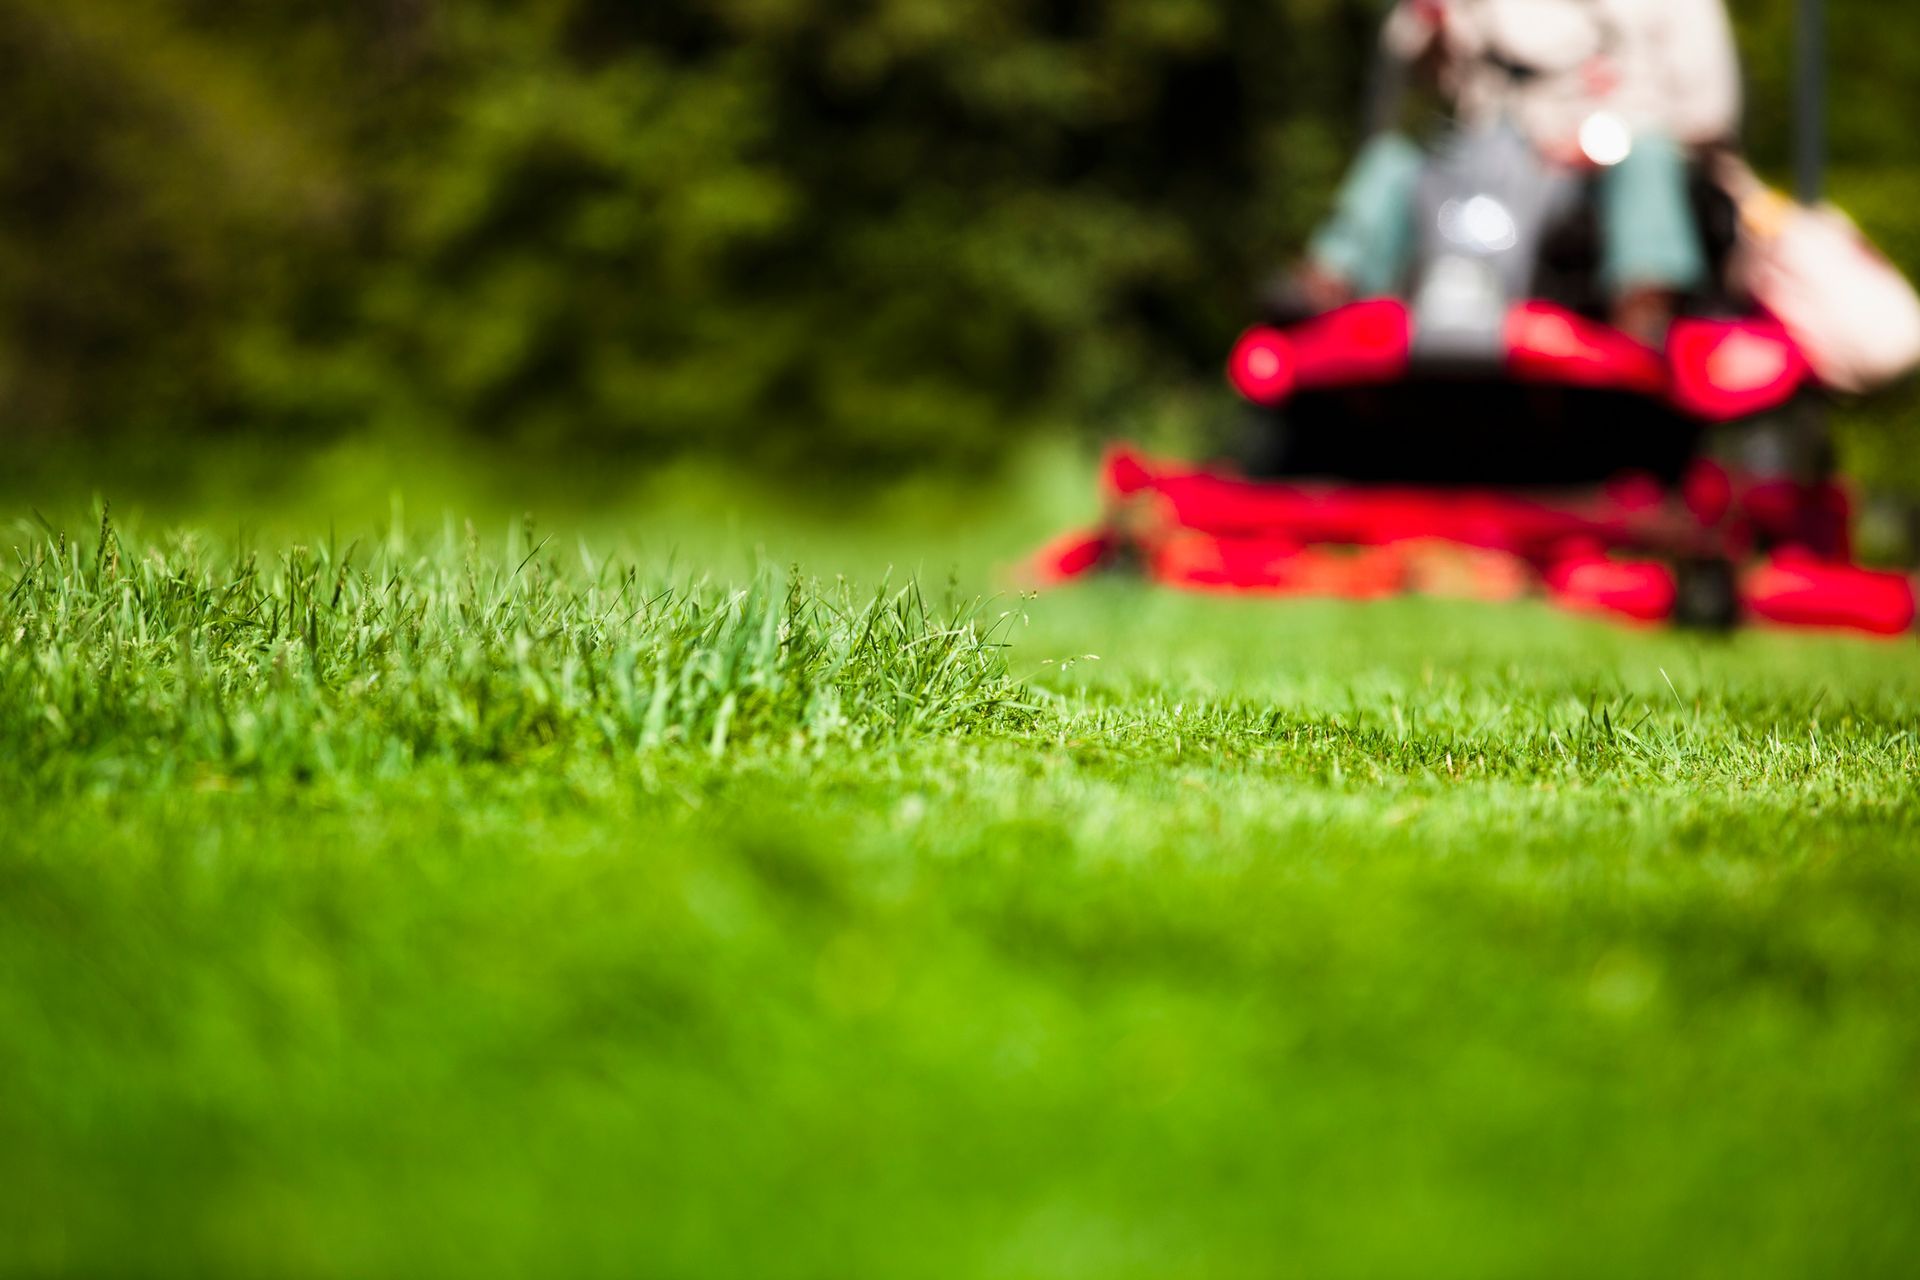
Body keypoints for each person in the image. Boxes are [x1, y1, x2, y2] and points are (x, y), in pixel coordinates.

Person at [1302, 0, 1744, 341]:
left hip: (1606, 170)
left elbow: (1708, 114)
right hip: (1491, 161)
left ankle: (1644, 308)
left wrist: (1605, 141)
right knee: (1394, 160)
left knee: (1646, 157)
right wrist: (1430, 26)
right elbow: (1423, 67)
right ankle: (1328, 288)